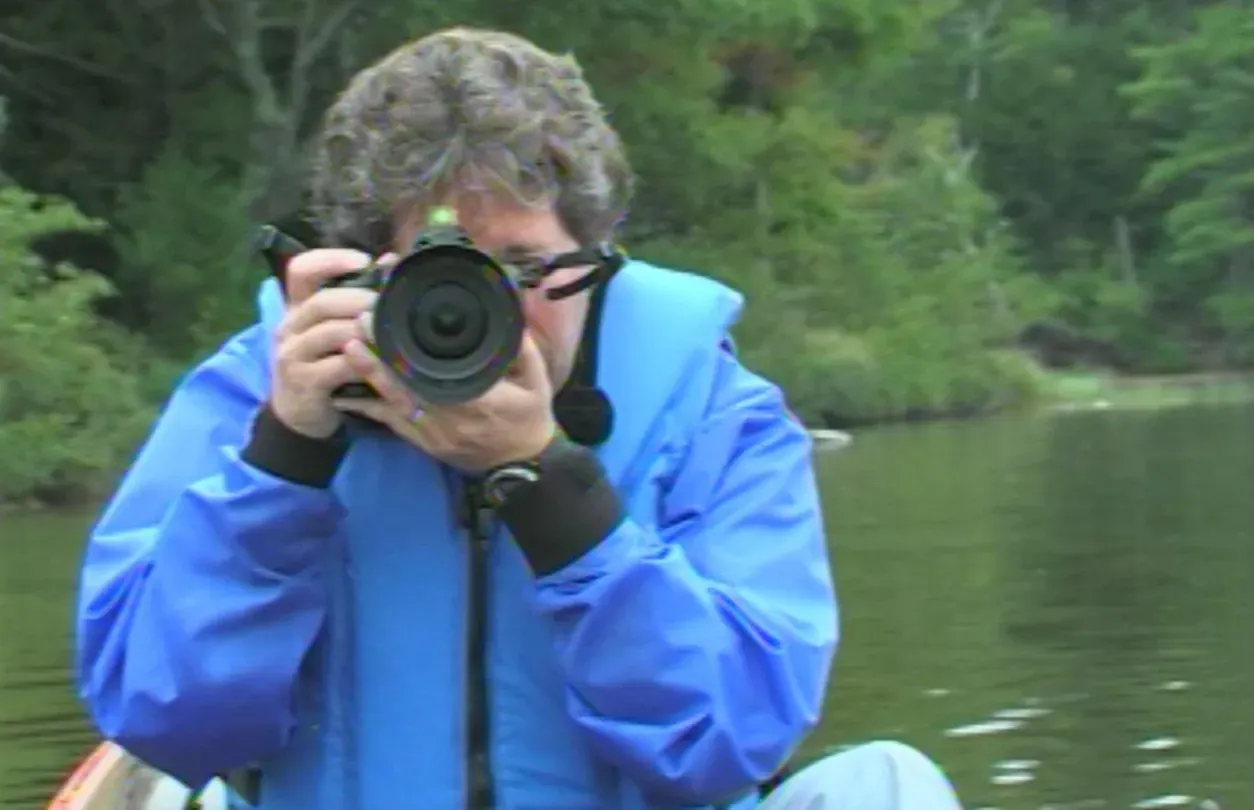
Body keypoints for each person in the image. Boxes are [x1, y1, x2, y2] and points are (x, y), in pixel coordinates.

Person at [75, 27, 962, 810]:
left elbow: (730, 739)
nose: (492, 312)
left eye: (528, 268)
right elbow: (166, 723)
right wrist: (283, 464)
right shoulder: (261, 399)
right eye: (446, 272)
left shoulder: (710, 412)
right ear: (359, 269)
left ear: (598, 248)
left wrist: (554, 493)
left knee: (888, 785)